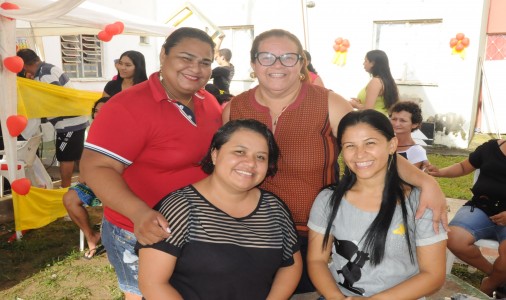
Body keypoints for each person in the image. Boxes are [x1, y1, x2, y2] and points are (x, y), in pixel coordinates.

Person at [223, 28, 448, 294]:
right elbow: (223, 171)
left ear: (301, 64)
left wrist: (426, 182)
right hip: (249, 231)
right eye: (267, 57)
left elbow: (369, 148)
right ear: (253, 63)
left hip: (312, 231)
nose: (277, 65)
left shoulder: (327, 103)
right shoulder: (233, 109)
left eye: (288, 57)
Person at [80, 27, 222, 299]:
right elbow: (95, 168)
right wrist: (139, 213)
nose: (196, 68)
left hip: (192, 228)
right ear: (163, 54)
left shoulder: (208, 100)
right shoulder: (127, 105)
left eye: (205, 62)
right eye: (186, 58)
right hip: (138, 231)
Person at [138, 119, 302, 299]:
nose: (251, 163)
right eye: (240, 152)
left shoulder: (274, 209)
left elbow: (291, 265)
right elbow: (153, 284)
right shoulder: (180, 207)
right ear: (215, 154)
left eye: (261, 157)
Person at [307, 109, 447, 299]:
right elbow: (317, 260)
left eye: (370, 143)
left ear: (392, 145)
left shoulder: (420, 202)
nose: (360, 154)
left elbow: (433, 275)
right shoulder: (328, 200)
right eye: (350, 146)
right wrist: (336, 298)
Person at [425, 138, 506, 296]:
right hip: (481, 208)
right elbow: (463, 167)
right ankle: (498, 276)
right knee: (454, 237)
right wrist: (440, 172)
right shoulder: (490, 147)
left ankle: (488, 286)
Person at [16, 48, 89, 188]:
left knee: (65, 158)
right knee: (74, 156)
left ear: (23, 65)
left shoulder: (44, 75)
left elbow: (56, 98)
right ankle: (80, 187)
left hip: (69, 123)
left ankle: (65, 189)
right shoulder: (48, 69)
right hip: (73, 120)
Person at [62, 97, 110, 260]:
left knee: (112, 199)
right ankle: (92, 237)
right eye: (96, 111)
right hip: (92, 180)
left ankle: (111, 237)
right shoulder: (92, 131)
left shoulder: (121, 132)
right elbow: (87, 157)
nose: (98, 114)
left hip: (113, 181)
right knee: (69, 198)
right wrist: (85, 173)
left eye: (103, 111)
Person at [350, 50, 399, 115]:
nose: (363, 63)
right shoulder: (385, 80)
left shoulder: (376, 81)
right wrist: (360, 102)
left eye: (365, 61)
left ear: (372, 63)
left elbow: (368, 110)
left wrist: (355, 105)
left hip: (374, 121)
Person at [389, 101, 428, 169]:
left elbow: (410, 178)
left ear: (414, 124)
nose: (396, 124)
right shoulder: (385, 143)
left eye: (403, 120)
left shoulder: (417, 152)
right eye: (394, 119)